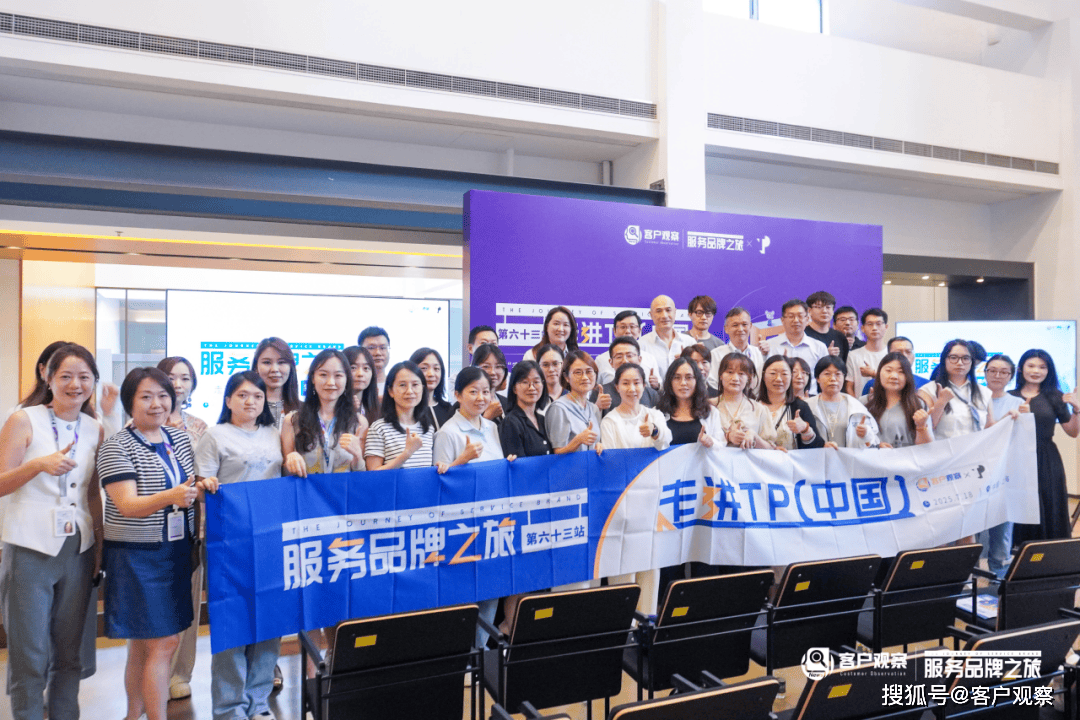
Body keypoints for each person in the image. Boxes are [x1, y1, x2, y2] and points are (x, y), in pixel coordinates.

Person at [97, 368, 213, 720]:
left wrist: (201, 488)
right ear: (129, 402)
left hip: (175, 551)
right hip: (137, 556)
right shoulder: (116, 445)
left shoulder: (178, 439)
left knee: (143, 644)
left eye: (163, 396)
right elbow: (127, 505)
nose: (157, 404)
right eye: (146, 397)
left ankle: (133, 715)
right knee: (164, 643)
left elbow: (188, 486)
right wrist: (171, 496)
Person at [0, 343, 103, 720]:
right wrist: (37, 465)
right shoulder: (23, 419)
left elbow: (91, 493)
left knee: (70, 652)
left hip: (78, 547)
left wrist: (99, 547)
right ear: (48, 377)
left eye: (84, 377)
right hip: (29, 546)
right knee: (30, 654)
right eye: (66, 376)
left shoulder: (94, 427)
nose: (76, 384)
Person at [194, 371, 282, 720]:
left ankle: (258, 702)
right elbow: (201, 486)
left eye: (257, 396)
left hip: (270, 539)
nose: (250, 402)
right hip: (228, 541)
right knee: (232, 623)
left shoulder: (274, 433)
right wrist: (206, 485)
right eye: (243, 395)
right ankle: (229, 707)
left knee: (270, 623)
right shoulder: (215, 435)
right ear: (228, 399)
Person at [432, 366, 511, 647]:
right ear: (457, 395)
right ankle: (463, 655)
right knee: (465, 595)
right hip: (462, 526)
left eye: (486, 392)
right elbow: (440, 483)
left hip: (493, 522)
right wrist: (462, 459)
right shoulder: (448, 432)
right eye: (473, 391)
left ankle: (480, 651)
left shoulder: (491, 427)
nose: (480, 398)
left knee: (491, 589)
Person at [156, 356, 209, 702]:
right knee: (155, 604)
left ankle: (180, 673)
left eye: (185, 378)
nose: (178, 384)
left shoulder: (201, 427)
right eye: (171, 377)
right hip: (151, 526)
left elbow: (207, 473)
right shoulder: (139, 423)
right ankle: (153, 672)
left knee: (189, 601)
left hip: (191, 526)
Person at [600, 363, 671, 615]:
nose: (632, 388)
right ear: (617, 387)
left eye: (637, 383)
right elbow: (613, 461)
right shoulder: (610, 420)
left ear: (644, 385)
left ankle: (647, 621)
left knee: (650, 564)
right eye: (626, 383)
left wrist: (654, 432)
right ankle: (624, 623)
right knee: (624, 566)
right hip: (623, 503)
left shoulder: (654, 415)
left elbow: (666, 441)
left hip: (652, 500)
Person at [1009, 349, 1080, 542]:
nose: (1036, 371)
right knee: (1020, 504)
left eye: (1042, 367)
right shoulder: (1009, 396)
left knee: (1049, 504)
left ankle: (1049, 552)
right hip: (1017, 458)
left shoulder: (1055, 396)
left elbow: (1072, 432)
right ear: (1021, 368)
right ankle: (1017, 551)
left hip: (1046, 458)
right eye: (1031, 366)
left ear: (1049, 371)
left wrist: (1076, 409)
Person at [282, 349, 367, 477]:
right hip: (306, 489)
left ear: (346, 380)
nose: (330, 382)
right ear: (313, 378)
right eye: (323, 375)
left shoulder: (359, 422)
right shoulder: (293, 420)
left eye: (338, 375)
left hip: (343, 489)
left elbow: (362, 477)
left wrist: (358, 457)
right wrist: (290, 459)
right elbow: (284, 475)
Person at [978, 354, 1024, 578]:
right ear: (985, 372)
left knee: (1002, 530)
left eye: (1004, 372)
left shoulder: (1019, 404)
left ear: (1011, 376)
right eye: (992, 370)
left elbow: (1022, 439)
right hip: (975, 473)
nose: (997, 375)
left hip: (1005, 473)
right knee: (971, 529)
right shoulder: (975, 398)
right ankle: (968, 582)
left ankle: (999, 582)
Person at [364, 361, 436, 470]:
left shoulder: (428, 429)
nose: (410, 391)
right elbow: (373, 474)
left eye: (415, 385)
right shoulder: (379, 429)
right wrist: (407, 453)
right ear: (390, 391)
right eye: (402, 385)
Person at [921, 340, 994, 439]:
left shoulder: (984, 392)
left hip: (975, 448)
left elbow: (989, 427)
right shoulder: (928, 390)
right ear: (944, 359)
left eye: (965, 358)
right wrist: (941, 402)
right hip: (942, 448)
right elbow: (925, 428)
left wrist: (1008, 418)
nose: (960, 363)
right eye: (953, 358)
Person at [863, 353, 933, 448]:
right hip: (872, 457)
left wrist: (921, 426)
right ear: (879, 372)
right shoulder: (863, 402)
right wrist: (876, 446)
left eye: (901, 372)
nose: (894, 376)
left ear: (908, 376)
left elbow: (927, 447)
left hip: (906, 457)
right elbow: (853, 441)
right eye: (888, 370)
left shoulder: (918, 404)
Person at [806, 356, 878, 448]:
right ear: (817, 378)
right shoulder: (807, 406)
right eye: (827, 374)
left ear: (844, 377)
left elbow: (874, 441)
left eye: (838, 374)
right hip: (817, 457)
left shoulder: (856, 407)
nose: (833, 378)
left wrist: (866, 434)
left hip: (848, 457)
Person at [758, 356, 824, 451]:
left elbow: (817, 447)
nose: (778, 379)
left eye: (784, 374)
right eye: (773, 373)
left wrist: (805, 429)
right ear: (763, 376)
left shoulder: (800, 407)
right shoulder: (753, 406)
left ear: (791, 377)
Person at [545, 350, 605, 455]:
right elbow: (556, 453)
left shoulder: (593, 408)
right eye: (578, 372)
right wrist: (577, 441)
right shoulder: (559, 408)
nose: (585, 377)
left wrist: (598, 446)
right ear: (566, 377)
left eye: (589, 371)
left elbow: (594, 442)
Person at [712, 353, 777, 449]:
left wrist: (754, 437)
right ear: (721, 375)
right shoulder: (709, 406)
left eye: (741, 374)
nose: (735, 378)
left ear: (748, 378)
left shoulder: (759, 409)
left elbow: (771, 449)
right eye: (730, 372)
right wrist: (728, 437)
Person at [657, 357, 724, 446]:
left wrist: (711, 442)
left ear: (697, 381)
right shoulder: (657, 413)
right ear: (670, 382)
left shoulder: (711, 412)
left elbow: (721, 445)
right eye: (677, 378)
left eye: (689, 377)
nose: (683, 383)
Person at [770, 299, 828, 394]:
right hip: (778, 397)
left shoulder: (819, 347)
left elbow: (825, 377)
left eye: (800, 316)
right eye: (791, 316)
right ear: (782, 320)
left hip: (809, 398)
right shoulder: (770, 345)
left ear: (807, 319)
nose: (796, 320)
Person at [590, 337, 659, 415]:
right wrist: (597, 407)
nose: (625, 361)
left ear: (639, 359)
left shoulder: (651, 394)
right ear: (611, 362)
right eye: (619, 357)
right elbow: (589, 420)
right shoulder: (600, 393)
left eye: (629, 355)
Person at [500, 361, 552, 459]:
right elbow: (518, 464)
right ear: (514, 388)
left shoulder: (542, 419)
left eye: (536, 382)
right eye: (525, 382)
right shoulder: (510, 422)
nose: (531, 387)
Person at [595, 310, 661, 387]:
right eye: (623, 327)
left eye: (632, 327)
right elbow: (595, 388)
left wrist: (656, 386)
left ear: (639, 331)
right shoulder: (601, 360)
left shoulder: (649, 358)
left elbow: (659, 388)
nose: (627, 331)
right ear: (614, 331)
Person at [709, 307, 766, 393]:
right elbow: (713, 384)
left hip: (755, 400)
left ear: (750, 326)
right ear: (726, 329)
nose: (740, 329)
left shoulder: (759, 353)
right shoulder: (716, 355)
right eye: (735, 325)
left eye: (744, 324)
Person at [639, 295, 694, 378]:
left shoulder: (689, 342)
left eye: (668, 310)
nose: (664, 315)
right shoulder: (641, 345)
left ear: (675, 312)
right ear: (651, 315)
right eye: (658, 311)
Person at [251, 336, 301, 429]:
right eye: (267, 362)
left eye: (281, 362)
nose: (274, 369)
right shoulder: (247, 407)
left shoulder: (305, 410)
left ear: (291, 367)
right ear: (256, 367)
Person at [860, 336, 930, 397]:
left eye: (908, 352)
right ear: (888, 355)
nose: (904, 356)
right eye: (898, 352)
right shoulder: (872, 385)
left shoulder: (926, 385)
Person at [845, 309, 889, 397]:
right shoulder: (853, 355)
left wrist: (873, 374)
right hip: (861, 404)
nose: (874, 328)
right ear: (863, 328)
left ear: (886, 327)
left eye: (879, 324)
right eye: (870, 324)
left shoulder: (892, 354)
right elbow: (849, 386)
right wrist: (856, 404)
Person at [410, 347, 454, 429]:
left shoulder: (448, 409)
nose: (431, 374)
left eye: (436, 369)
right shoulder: (408, 409)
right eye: (424, 368)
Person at [804, 291, 849, 364]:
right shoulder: (803, 335)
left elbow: (843, 366)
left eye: (828, 307)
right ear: (809, 310)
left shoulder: (840, 337)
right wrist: (825, 355)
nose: (824, 311)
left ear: (833, 311)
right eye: (819, 307)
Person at [473, 343, 513, 420]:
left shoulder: (507, 403)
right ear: (474, 369)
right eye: (486, 366)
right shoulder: (467, 402)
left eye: (498, 366)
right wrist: (487, 417)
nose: (493, 372)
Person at [344, 345, 380, 424]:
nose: (360, 374)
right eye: (353, 368)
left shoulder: (379, 410)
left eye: (366, 368)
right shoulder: (329, 409)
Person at [535, 344, 567, 415]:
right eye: (545, 365)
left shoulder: (574, 397)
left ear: (563, 365)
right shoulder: (533, 398)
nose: (551, 369)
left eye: (555, 364)